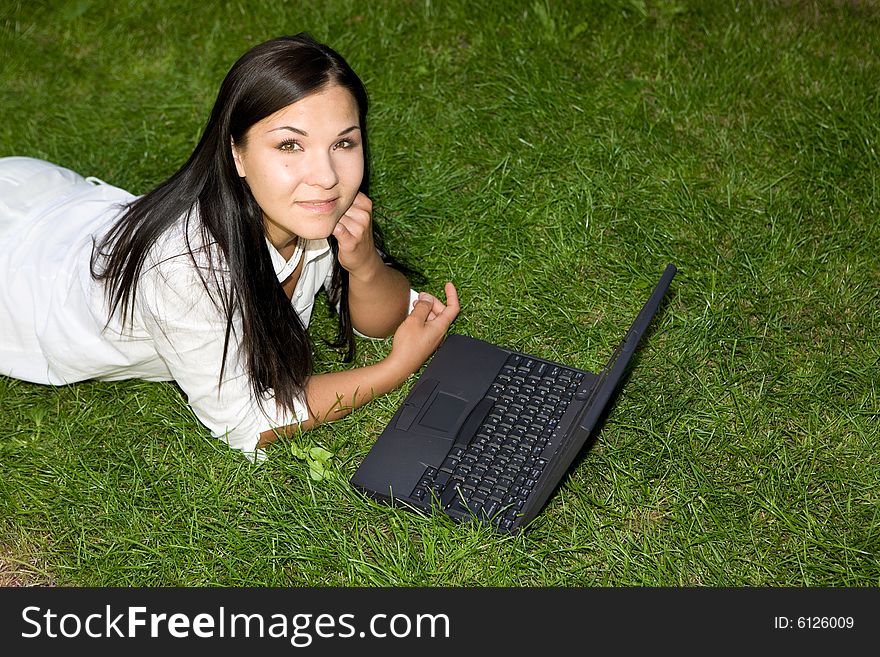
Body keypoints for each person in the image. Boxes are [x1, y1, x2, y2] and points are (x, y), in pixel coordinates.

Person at [0, 33, 459, 460]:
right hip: (20, 283)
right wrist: (395, 368)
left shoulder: (311, 207)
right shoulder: (184, 268)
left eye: (343, 143)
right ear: (236, 153)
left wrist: (363, 266)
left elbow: (383, 317)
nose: (326, 176)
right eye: (289, 146)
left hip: (67, 210)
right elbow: (246, 419)